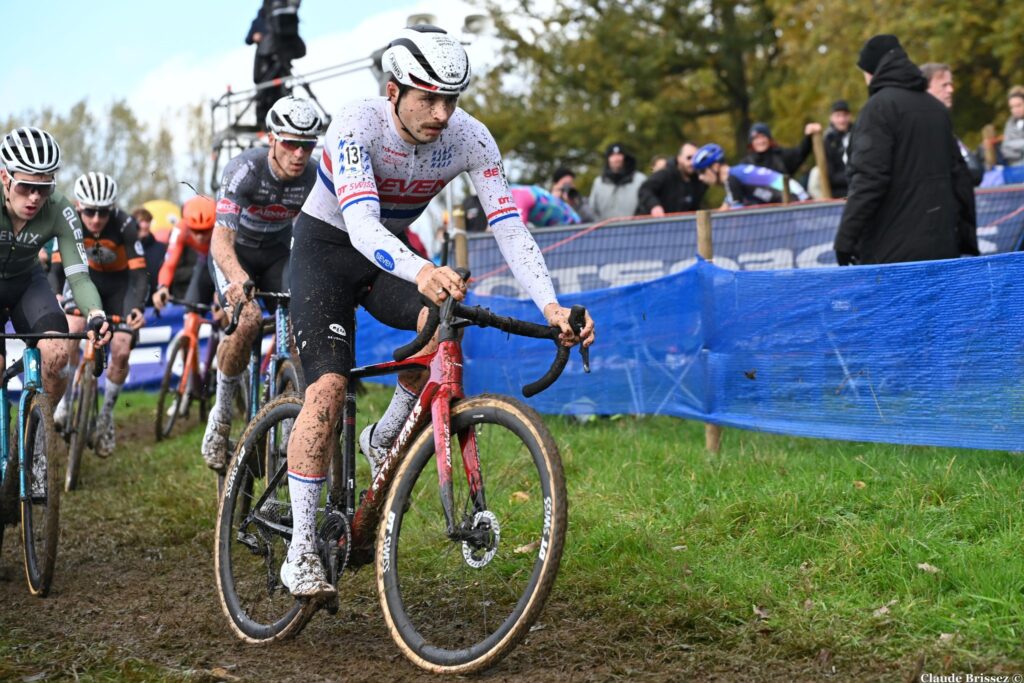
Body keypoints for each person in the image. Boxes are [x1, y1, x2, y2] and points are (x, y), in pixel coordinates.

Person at [284, 24, 595, 597]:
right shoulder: (356, 124)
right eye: (428, 98)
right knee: (327, 388)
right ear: (393, 90)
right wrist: (423, 270)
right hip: (326, 251)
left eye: (451, 99)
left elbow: (509, 226)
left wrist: (551, 305)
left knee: (443, 316)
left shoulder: (471, 138)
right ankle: (301, 547)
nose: (442, 113)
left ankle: (387, 433)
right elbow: (360, 225)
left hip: (388, 258)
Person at [200, 95, 323, 472]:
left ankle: (290, 416)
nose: (299, 154)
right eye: (290, 143)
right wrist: (238, 279)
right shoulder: (245, 170)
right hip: (236, 254)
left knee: (304, 325)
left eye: (307, 145)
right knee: (249, 320)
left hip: (277, 256)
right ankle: (221, 415)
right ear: (271, 139)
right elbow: (221, 239)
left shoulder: (315, 175)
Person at [834, 35, 978, 266]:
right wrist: (967, 239)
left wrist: (846, 237)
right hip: (942, 245)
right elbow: (960, 179)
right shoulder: (937, 110)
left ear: (872, 70)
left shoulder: (878, 109)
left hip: (891, 249)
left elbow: (869, 179)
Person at [0, 128, 111, 407]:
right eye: (25, 186)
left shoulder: (61, 209)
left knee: (58, 354)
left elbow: (79, 277)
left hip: (27, 283)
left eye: (44, 187)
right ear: (5, 177)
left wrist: (95, 314)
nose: (35, 197)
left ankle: (40, 428)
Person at [52, 172, 147, 456]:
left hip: (119, 288)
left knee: (121, 349)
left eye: (103, 212)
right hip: (84, 280)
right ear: (79, 206)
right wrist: (56, 294)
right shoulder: (69, 219)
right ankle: (65, 401)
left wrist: (136, 308)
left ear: (112, 209)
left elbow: (139, 275)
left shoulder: (125, 224)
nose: (96, 219)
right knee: (72, 328)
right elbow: (56, 267)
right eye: (90, 211)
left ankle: (105, 418)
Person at [246, 0, 307, 129]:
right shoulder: (258, 21)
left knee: (282, 91)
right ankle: (262, 121)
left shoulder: (285, 16)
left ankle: (284, 117)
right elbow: (247, 39)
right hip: (265, 63)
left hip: (282, 59)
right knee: (265, 91)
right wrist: (255, 37)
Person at [921, 63, 984, 185]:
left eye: (950, 84)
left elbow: (974, 171)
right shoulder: (922, 127)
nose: (951, 90)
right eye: (944, 85)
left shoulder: (944, 125)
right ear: (926, 89)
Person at [151, 195, 217, 312]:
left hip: (224, 260)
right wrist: (162, 287)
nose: (200, 236)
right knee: (190, 310)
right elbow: (169, 265)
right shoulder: (180, 229)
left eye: (205, 230)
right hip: (204, 262)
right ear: (187, 224)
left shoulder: (222, 226)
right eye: (195, 230)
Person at [691, 143, 809, 208]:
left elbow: (737, 218)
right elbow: (724, 209)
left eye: (702, 172)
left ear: (716, 167)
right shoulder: (736, 174)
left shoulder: (732, 179)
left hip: (796, 202)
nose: (700, 177)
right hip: (797, 199)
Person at [636, 143, 706, 215]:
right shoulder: (665, 174)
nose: (692, 162)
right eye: (689, 158)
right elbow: (645, 189)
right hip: (655, 220)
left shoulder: (699, 181)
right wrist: (654, 206)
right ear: (679, 158)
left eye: (695, 158)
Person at [588, 142, 646, 221]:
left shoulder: (639, 179)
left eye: (619, 155)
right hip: (605, 227)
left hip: (634, 226)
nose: (616, 159)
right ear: (608, 159)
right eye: (612, 155)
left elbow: (645, 205)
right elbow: (593, 209)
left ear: (624, 157)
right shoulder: (598, 182)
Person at [741, 121, 822, 176]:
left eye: (763, 137)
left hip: (783, 195)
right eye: (756, 138)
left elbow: (801, 152)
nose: (760, 141)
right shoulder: (745, 164)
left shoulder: (781, 156)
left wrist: (809, 137)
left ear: (769, 139)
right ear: (751, 142)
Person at [821, 100, 854, 198]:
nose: (842, 120)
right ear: (831, 118)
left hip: (858, 187)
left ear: (849, 116)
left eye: (844, 115)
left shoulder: (857, 135)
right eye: (838, 116)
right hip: (838, 192)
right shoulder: (828, 141)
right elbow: (830, 176)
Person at [131, 207, 165, 299]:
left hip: (156, 299)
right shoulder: (127, 248)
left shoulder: (161, 248)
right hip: (133, 300)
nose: (145, 225)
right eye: (141, 221)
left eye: (147, 221)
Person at [511, 184, 581, 227]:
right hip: (563, 225)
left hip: (572, 223)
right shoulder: (514, 191)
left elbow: (518, 228)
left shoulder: (518, 195)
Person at [1001, 86, 1024, 167]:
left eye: (1018, 105)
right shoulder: (1010, 123)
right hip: (1014, 167)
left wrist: (1013, 145)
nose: (1015, 110)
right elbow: (1005, 148)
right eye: (1012, 107)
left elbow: (1008, 144)